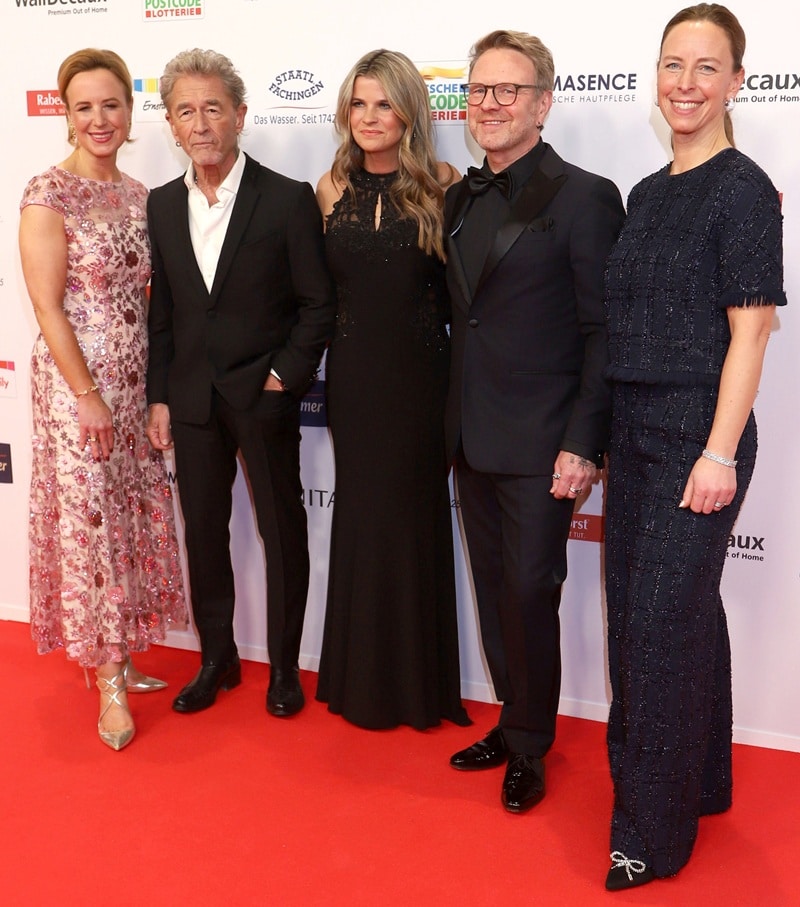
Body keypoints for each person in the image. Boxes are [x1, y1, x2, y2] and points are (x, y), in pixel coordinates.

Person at [602, 4, 785, 890]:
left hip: (696, 435)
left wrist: (717, 452)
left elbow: (752, 331)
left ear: (736, 82)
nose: (686, 83)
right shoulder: (646, 191)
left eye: (706, 68)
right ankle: (703, 780)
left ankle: (649, 835)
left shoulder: (743, 187)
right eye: (674, 64)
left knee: (656, 636)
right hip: (631, 430)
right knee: (675, 618)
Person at [444, 30, 625, 811]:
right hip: (470, 435)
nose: (489, 103)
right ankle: (511, 721)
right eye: (478, 90)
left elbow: (603, 329)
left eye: (507, 90)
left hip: (545, 440)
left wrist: (585, 441)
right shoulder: (457, 196)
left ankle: (530, 743)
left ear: (543, 103)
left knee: (528, 591)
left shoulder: (585, 195)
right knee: (492, 590)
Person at [146, 49, 336, 719]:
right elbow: (163, 312)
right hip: (193, 399)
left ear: (240, 116)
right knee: (204, 533)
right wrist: (160, 394)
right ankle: (217, 658)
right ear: (170, 123)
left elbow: (318, 303)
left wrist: (284, 377)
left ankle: (284, 666)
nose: (201, 124)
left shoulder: (285, 199)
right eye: (186, 111)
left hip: (264, 396)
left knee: (281, 533)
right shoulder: (163, 205)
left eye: (213, 108)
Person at [18, 48, 187, 751]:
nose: (99, 118)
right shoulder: (46, 193)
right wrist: (87, 395)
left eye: (111, 104)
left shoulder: (139, 193)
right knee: (91, 529)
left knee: (125, 518)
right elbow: (48, 308)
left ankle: (123, 653)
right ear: (64, 112)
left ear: (129, 110)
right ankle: (109, 681)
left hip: (132, 379)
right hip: (76, 387)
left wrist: (150, 393)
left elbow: (154, 303)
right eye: (84, 106)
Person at [314, 49, 470, 730]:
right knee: (363, 519)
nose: (369, 117)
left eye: (383, 103)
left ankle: (420, 686)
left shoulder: (445, 184)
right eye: (358, 103)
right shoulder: (328, 188)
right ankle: (360, 681)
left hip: (422, 383)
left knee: (414, 519)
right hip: (352, 381)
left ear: (410, 110)